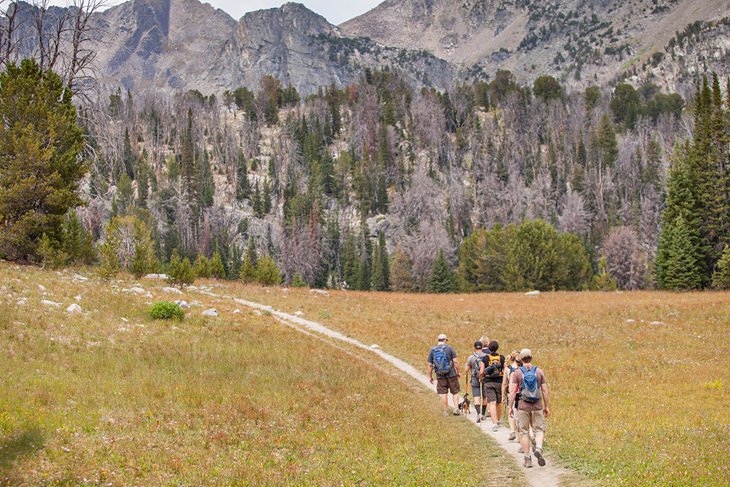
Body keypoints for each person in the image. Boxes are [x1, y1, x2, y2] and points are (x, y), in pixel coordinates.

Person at [509, 348, 549, 468]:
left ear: (521, 359)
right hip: (537, 405)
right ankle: (539, 448)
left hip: (523, 406)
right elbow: (545, 391)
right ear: (531, 358)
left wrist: (510, 407)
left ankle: (527, 458)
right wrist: (546, 406)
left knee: (524, 431)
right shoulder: (539, 372)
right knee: (539, 429)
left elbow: (512, 392)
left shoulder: (516, 373)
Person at [427, 333, 461, 416]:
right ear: (445, 340)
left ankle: (445, 411)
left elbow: (430, 365)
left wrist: (430, 376)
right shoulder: (450, 348)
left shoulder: (433, 350)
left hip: (440, 375)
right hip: (451, 374)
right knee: (455, 392)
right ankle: (456, 409)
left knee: (443, 393)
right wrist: (458, 372)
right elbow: (456, 362)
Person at [479, 340, 505, 431]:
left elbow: (482, 371)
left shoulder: (485, 358)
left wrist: (480, 378)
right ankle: (498, 420)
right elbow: (505, 370)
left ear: (489, 348)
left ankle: (494, 424)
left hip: (489, 382)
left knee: (492, 402)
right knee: (498, 402)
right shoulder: (501, 358)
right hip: (499, 382)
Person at [463, 340, 487, 422]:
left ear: (474, 347)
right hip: (485, 378)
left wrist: (467, 367)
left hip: (474, 378)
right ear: (482, 347)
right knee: (485, 396)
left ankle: (479, 413)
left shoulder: (471, 357)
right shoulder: (486, 356)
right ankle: (483, 414)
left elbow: (466, 369)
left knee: (477, 396)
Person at [501, 351, 522, 441]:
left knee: (511, 412)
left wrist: (503, 396)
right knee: (520, 413)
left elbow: (504, 384)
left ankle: (512, 431)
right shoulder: (523, 368)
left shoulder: (508, 369)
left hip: (511, 393)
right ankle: (520, 434)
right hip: (521, 393)